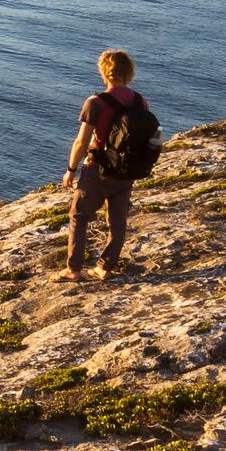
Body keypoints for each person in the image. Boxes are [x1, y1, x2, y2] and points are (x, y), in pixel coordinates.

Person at [63, 48, 159, 279]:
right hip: (128, 170)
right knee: (118, 220)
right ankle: (105, 267)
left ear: (104, 72)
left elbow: (81, 141)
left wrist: (71, 170)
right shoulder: (140, 101)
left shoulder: (96, 102)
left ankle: (73, 270)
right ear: (129, 72)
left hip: (99, 169)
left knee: (79, 216)